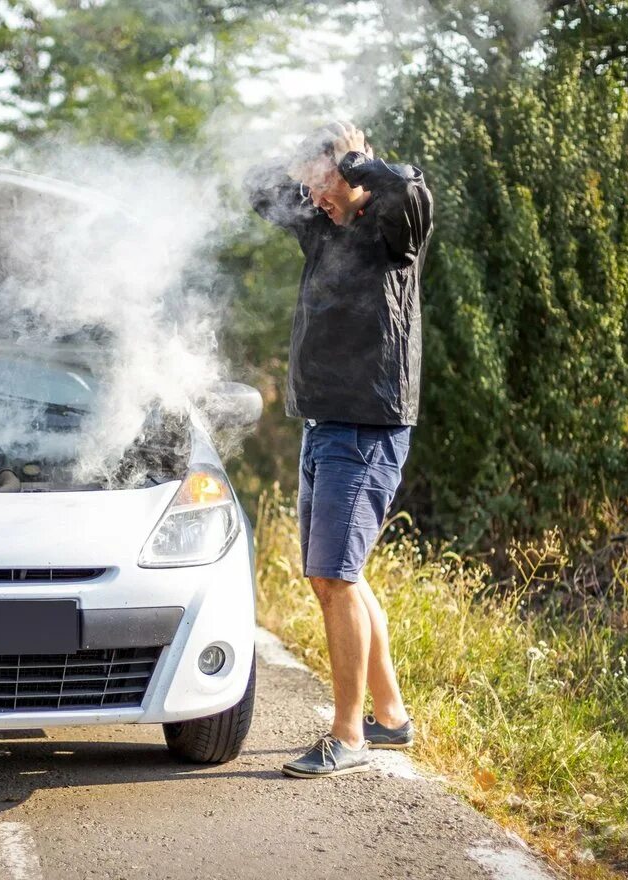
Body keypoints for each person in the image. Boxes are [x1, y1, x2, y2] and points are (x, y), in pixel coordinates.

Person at [246, 121, 433, 779]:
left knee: (336, 577)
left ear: (351, 173)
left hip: (367, 426)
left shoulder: (392, 227)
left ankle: (348, 734)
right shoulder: (322, 226)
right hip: (325, 424)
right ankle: (390, 716)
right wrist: (310, 163)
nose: (312, 200)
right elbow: (254, 187)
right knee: (337, 578)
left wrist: (351, 161)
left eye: (320, 187)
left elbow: (409, 183)